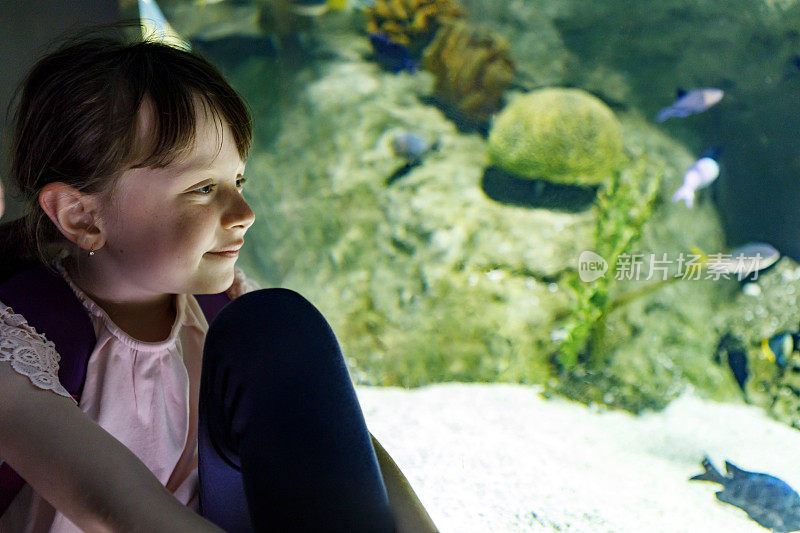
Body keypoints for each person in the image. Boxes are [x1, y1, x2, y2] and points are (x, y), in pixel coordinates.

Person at [0, 24, 437, 532]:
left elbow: (348, 449)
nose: (245, 212)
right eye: (204, 187)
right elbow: (119, 511)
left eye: (238, 180)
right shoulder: (16, 344)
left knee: (280, 321)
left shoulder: (227, 309)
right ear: (81, 217)